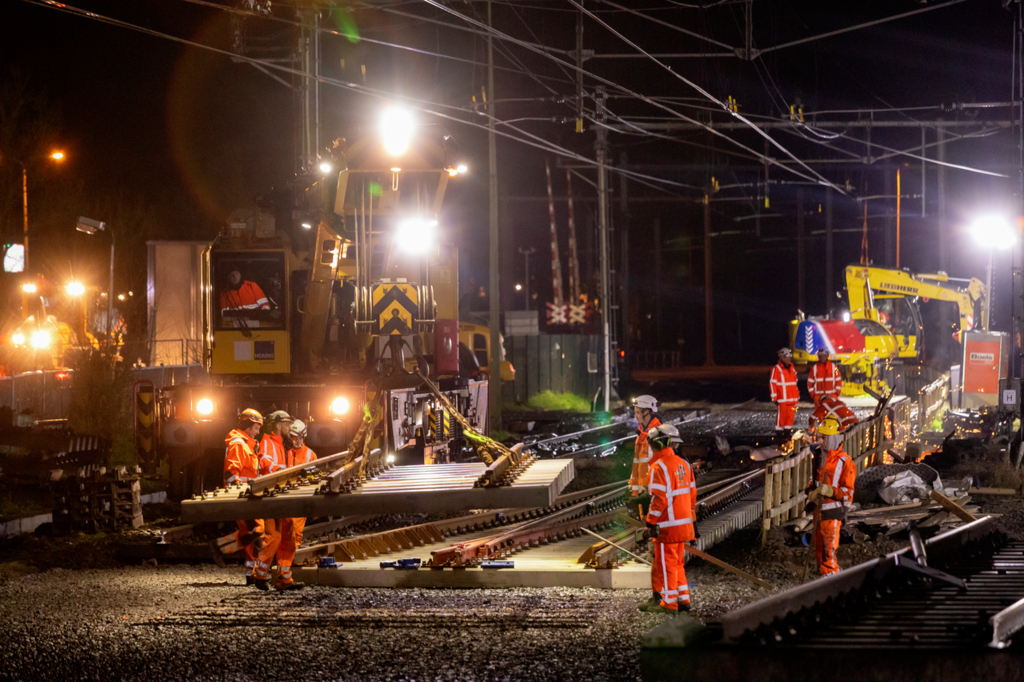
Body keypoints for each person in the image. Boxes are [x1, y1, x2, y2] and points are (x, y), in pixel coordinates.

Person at [639, 424, 697, 614]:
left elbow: (658, 499)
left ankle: (669, 603)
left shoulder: (658, 467)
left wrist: (650, 523)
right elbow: (692, 495)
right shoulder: (685, 464)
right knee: (677, 563)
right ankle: (683, 599)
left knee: (666, 565)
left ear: (654, 444)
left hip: (667, 527)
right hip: (683, 525)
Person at [210, 408, 265, 585]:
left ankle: (250, 571)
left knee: (251, 532)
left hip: (247, 495)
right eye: (257, 426)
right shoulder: (239, 444)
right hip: (242, 496)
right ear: (249, 426)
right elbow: (232, 473)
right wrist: (239, 494)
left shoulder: (245, 444)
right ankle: (220, 548)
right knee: (258, 530)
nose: (258, 430)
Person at [254, 410, 304, 591]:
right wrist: (280, 470)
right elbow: (265, 460)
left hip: (283, 494)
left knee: (288, 538)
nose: (290, 427)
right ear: (278, 425)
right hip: (271, 496)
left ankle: (284, 579)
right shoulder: (268, 441)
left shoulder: (283, 444)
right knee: (274, 536)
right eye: (287, 424)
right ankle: (260, 576)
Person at [806, 415, 856, 576]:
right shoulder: (819, 458)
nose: (820, 441)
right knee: (819, 546)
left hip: (832, 513)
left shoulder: (845, 462)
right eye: (819, 437)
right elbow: (811, 482)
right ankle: (823, 572)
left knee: (829, 548)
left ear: (833, 438)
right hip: (818, 511)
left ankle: (831, 574)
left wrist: (831, 492)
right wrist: (811, 493)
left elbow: (849, 493)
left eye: (824, 438)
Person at [629, 395, 662, 516]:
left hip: (653, 491)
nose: (635, 415)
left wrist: (652, 489)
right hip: (644, 491)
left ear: (647, 412)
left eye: (637, 412)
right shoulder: (641, 433)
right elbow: (637, 464)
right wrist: (633, 490)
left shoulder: (658, 434)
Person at [770, 348, 799, 432]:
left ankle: (787, 437)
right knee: (780, 419)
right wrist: (774, 398)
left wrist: (796, 397)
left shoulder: (792, 368)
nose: (789, 358)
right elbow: (773, 383)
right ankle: (780, 439)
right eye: (787, 357)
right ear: (782, 357)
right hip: (782, 400)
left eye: (789, 357)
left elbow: (794, 383)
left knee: (790, 420)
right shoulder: (776, 369)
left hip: (792, 400)